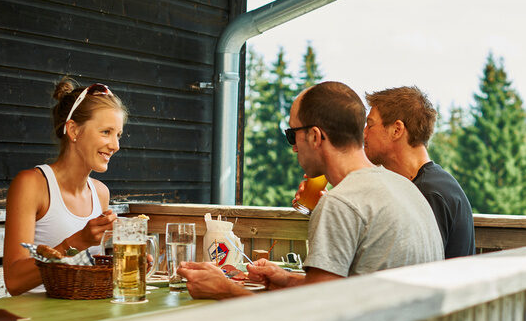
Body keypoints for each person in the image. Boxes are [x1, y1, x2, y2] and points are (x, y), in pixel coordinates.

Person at [179, 81, 444, 299]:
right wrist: (286, 279)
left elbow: (313, 315)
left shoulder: (341, 203)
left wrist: (225, 290)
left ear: (316, 137)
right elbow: (337, 291)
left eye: (292, 134)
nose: (293, 147)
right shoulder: (404, 188)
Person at [2, 79, 126, 295]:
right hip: (37, 319)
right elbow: (14, 281)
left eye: (118, 135)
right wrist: (77, 242)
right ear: (73, 130)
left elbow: (88, 272)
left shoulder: (100, 193)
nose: (115, 145)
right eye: (106, 132)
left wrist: (126, 266)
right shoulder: (32, 184)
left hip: (83, 314)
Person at [363, 86, 475, 259]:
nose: (364, 133)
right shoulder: (432, 184)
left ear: (397, 130)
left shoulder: (428, 194)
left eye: (370, 125)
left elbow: (414, 267)